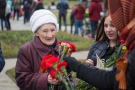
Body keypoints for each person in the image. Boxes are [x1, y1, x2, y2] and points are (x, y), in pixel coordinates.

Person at [63, 0, 135, 90]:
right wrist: (88, 67)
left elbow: (112, 80)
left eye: (113, 25)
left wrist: (77, 66)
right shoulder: (97, 45)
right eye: (105, 26)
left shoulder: (126, 49)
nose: (108, 30)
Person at [15, 9, 60, 90]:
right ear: (36, 32)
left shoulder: (62, 49)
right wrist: (45, 79)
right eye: (45, 31)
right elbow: (21, 79)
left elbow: (68, 76)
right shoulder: (26, 50)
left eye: (53, 30)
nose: (50, 35)